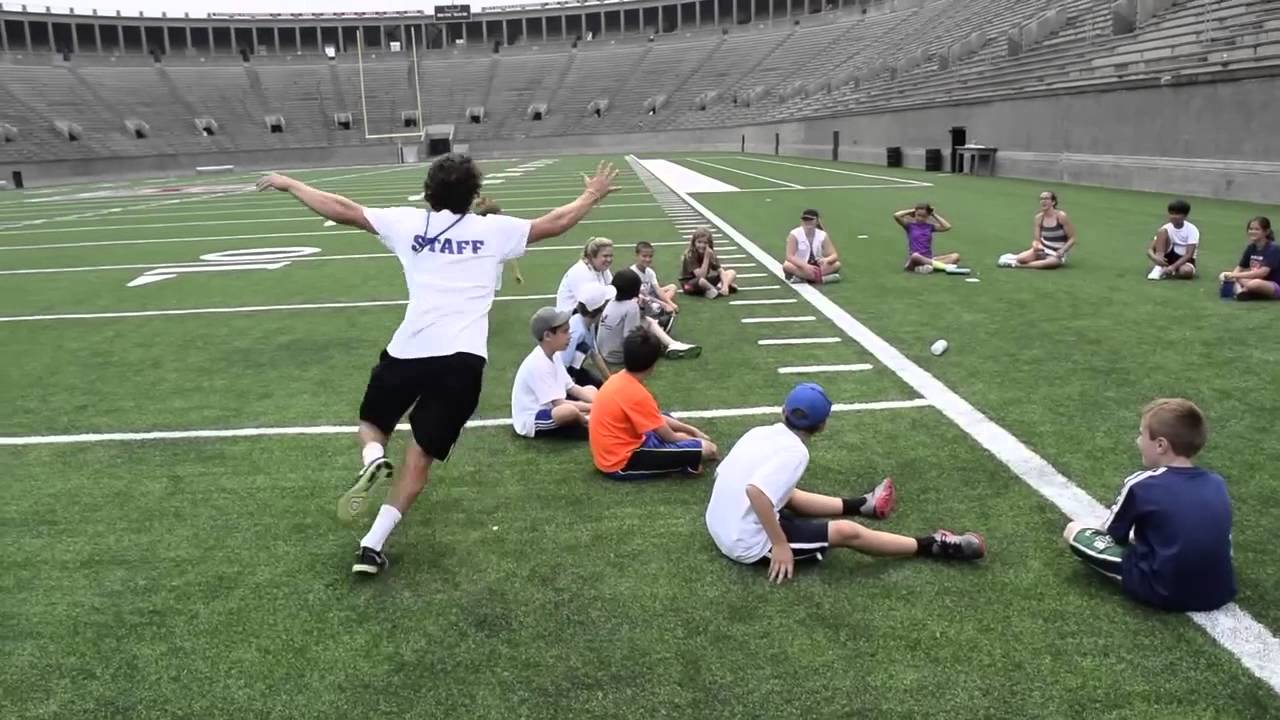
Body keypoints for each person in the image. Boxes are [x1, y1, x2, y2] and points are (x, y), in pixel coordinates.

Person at [256, 154, 620, 577]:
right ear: (474, 195)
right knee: (420, 456)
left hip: (410, 350)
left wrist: (292, 184)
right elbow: (554, 222)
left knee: (373, 425)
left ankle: (373, 457)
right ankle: (371, 545)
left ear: (429, 192)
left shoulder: (408, 223)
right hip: (463, 362)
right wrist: (591, 194)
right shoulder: (493, 229)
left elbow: (343, 210)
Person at [705, 382, 986, 583]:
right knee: (846, 532)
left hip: (719, 522)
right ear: (823, 425)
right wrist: (779, 544)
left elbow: (729, 475)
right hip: (745, 544)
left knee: (785, 493)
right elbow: (756, 492)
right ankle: (931, 545)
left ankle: (864, 504)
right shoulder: (795, 452)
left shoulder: (760, 432)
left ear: (783, 411)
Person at [1063, 398, 1235, 611]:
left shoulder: (1142, 484)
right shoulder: (1216, 482)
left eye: (1141, 434)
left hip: (1163, 589)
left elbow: (1114, 536)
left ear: (1161, 445)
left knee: (1074, 530)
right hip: (1220, 589)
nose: (1137, 441)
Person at [589, 327, 718, 479]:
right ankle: (684, 462)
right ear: (653, 364)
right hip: (623, 462)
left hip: (612, 453)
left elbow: (657, 419)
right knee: (708, 449)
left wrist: (691, 430)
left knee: (665, 419)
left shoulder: (617, 379)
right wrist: (696, 440)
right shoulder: (637, 394)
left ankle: (683, 461)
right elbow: (670, 437)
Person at [511, 307, 597, 441]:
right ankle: (588, 423)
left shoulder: (554, 355)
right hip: (534, 417)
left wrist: (599, 402)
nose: (570, 335)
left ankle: (589, 416)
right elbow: (559, 404)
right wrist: (595, 407)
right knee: (568, 411)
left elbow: (572, 388)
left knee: (591, 390)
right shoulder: (538, 363)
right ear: (547, 336)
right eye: (565, 332)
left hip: (553, 406)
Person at [599, 269, 701, 362]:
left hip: (605, 353)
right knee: (651, 333)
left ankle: (671, 343)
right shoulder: (631, 307)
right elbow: (630, 338)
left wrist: (643, 307)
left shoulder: (612, 301)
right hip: (620, 356)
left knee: (646, 320)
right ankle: (669, 344)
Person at [998, 191, 1077, 269]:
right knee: (1021, 259)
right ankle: (1014, 259)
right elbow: (1037, 240)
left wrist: (1062, 250)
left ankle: (1015, 265)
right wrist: (1036, 245)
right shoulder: (1038, 218)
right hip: (1043, 249)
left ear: (1053, 202)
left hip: (1056, 253)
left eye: (1046, 199)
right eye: (1041, 199)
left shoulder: (1061, 216)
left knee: (1051, 263)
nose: (1043, 201)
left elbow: (1072, 238)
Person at [560, 283, 615, 389]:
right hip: (563, 377)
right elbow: (561, 366)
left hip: (572, 370)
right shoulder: (576, 332)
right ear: (600, 310)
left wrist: (610, 381)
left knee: (599, 386)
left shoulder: (588, 324)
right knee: (583, 348)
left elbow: (595, 355)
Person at [892, 203, 968, 275]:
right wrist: (912, 210)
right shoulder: (909, 226)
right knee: (915, 256)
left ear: (928, 216)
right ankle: (944, 267)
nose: (920, 218)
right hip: (915, 261)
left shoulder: (930, 227)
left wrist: (934, 214)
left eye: (924, 216)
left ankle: (930, 267)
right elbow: (896, 215)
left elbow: (947, 227)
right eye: (918, 215)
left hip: (929, 259)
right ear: (915, 214)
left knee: (955, 256)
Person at [1218, 216, 1280, 300]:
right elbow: (1240, 267)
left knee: (1255, 284)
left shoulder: (1273, 248)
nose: (1252, 232)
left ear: (1266, 231)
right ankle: (1241, 293)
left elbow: (1262, 273)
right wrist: (1231, 276)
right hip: (1251, 280)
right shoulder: (1251, 247)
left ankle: (1241, 290)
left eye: (1257, 229)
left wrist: (1235, 275)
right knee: (1223, 275)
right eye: (1250, 229)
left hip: (1273, 285)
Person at [473, 196, 523, 289]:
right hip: (487, 267)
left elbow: (510, 252)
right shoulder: (481, 230)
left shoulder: (481, 228)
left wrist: (516, 272)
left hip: (491, 267)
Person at [555, 237, 614, 312]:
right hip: (570, 318)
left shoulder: (602, 268)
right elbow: (590, 305)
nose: (609, 259)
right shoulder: (580, 271)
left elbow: (611, 288)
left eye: (611, 256)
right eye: (605, 256)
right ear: (591, 256)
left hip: (588, 314)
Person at [783, 209, 842, 284]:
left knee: (837, 264)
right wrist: (805, 266)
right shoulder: (794, 234)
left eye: (811, 219)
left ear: (817, 221)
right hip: (800, 265)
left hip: (817, 266)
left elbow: (834, 255)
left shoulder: (822, 235)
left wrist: (826, 260)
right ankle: (822, 279)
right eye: (805, 219)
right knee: (787, 265)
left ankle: (803, 278)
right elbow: (790, 256)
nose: (808, 222)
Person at [631, 241, 679, 332]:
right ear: (637, 255)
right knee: (654, 307)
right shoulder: (633, 273)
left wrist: (669, 303)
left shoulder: (650, 271)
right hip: (640, 299)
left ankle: (661, 306)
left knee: (672, 287)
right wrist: (664, 304)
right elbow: (643, 296)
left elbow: (657, 289)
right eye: (644, 256)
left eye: (650, 256)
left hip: (649, 295)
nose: (648, 259)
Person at [1145, 199, 1199, 280]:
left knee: (1186, 272)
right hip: (1168, 256)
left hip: (1184, 259)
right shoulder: (1166, 227)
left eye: (1177, 214)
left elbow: (1189, 254)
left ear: (1185, 215)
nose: (1173, 216)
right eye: (1171, 213)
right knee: (1162, 231)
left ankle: (1171, 269)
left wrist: (1173, 267)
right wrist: (1155, 258)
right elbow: (1150, 249)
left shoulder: (1192, 229)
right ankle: (1159, 267)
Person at [679, 227, 738, 298]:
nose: (702, 245)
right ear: (694, 243)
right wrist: (706, 258)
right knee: (701, 281)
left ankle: (719, 289)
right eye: (699, 242)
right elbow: (701, 276)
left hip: (705, 282)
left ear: (709, 244)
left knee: (731, 272)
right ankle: (715, 290)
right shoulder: (690, 255)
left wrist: (725, 286)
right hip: (689, 285)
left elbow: (721, 271)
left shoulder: (710, 253)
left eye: (705, 243)